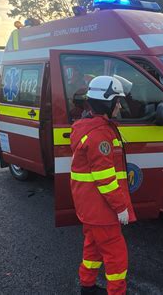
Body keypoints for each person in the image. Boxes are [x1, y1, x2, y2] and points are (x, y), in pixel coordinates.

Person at [70, 75, 136, 295]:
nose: (119, 106)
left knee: (93, 248)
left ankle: (87, 286)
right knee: (116, 255)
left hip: (91, 207)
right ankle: (116, 292)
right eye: (117, 101)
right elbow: (105, 179)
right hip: (101, 209)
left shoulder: (92, 128)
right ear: (108, 103)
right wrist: (120, 207)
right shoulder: (100, 135)